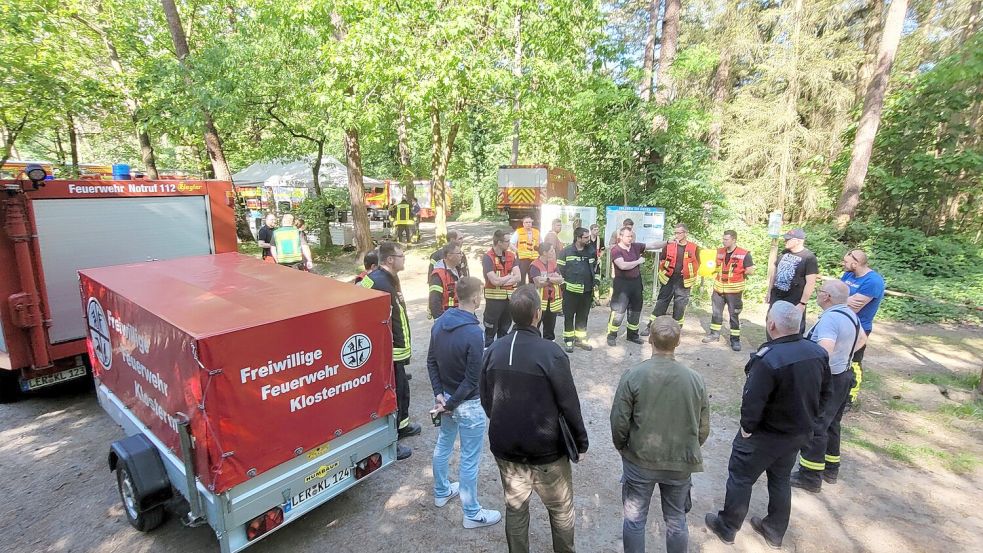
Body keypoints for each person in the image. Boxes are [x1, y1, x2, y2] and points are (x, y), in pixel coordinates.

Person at [705, 301, 832, 549]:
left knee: (741, 478)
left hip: (765, 435)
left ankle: (728, 527)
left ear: (771, 324)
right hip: (796, 433)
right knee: (780, 479)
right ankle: (774, 530)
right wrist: (811, 421)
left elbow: (753, 400)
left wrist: (747, 428)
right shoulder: (817, 352)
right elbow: (826, 392)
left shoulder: (768, 358)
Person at [480, 285, 589, 553]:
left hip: (506, 449)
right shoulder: (551, 353)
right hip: (547, 453)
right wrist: (580, 443)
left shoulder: (492, 351)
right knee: (561, 510)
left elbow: (486, 400)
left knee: (515, 509)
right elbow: (569, 403)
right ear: (538, 315)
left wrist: (504, 421)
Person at [611, 316, 710, 553]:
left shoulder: (633, 375)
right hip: (680, 462)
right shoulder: (696, 380)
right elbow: (703, 427)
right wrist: (688, 448)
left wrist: (623, 447)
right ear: (678, 342)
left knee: (635, 520)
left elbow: (619, 421)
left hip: (639, 460)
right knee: (676, 521)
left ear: (650, 340)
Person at [428, 276, 502, 529]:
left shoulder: (439, 323)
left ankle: (441, 491)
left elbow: (431, 361)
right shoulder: (473, 333)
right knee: (470, 459)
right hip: (466, 404)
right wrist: (450, 403)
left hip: (445, 398)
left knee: (444, 443)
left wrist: (441, 396)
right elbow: (472, 380)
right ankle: (471, 512)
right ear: (476, 297)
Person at [790, 281, 866, 492]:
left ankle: (810, 477)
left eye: (820, 291)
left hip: (829, 379)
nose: (818, 293)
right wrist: (843, 357)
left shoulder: (831, 319)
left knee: (816, 426)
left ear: (828, 297)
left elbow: (823, 351)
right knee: (832, 424)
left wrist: (811, 376)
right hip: (843, 375)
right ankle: (831, 469)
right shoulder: (851, 314)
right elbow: (862, 339)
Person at [360, 241, 421, 460]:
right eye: (401, 255)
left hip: (397, 349)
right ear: (389, 260)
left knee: (402, 390)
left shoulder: (388, 279)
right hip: (389, 352)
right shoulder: (378, 282)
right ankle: (391, 439)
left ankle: (402, 427)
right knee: (392, 395)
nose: (404, 258)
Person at [607, 227, 668, 346]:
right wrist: (638, 261)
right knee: (618, 312)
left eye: (631, 236)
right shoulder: (616, 250)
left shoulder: (635, 246)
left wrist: (668, 242)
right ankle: (611, 335)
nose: (630, 238)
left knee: (635, 310)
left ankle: (632, 335)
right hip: (622, 285)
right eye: (628, 236)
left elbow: (653, 245)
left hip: (636, 283)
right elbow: (622, 265)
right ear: (621, 236)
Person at [840, 249, 885, 405]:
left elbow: (854, 307)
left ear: (856, 263)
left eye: (846, 262)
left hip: (859, 327)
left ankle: (850, 398)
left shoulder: (873, 281)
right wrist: (844, 300)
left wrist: (838, 300)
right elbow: (837, 296)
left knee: (853, 362)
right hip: (841, 322)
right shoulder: (848, 275)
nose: (843, 264)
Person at [702, 230, 756, 351]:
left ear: (734, 240)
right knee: (716, 313)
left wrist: (740, 273)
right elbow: (713, 265)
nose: (724, 241)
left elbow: (750, 270)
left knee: (734, 315)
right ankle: (714, 334)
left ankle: (735, 340)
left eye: (726, 239)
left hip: (734, 291)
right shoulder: (719, 252)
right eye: (723, 239)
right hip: (718, 288)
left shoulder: (744, 254)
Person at [645, 223, 700, 331]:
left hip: (683, 281)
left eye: (679, 233)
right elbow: (662, 260)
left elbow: (698, 263)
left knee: (680, 306)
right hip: (668, 279)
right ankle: (651, 327)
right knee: (661, 303)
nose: (676, 235)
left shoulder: (694, 247)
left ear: (685, 233)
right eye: (675, 233)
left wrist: (689, 273)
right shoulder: (669, 245)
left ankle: (676, 329)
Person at [765, 228, 819, 337]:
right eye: (785, 239)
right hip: (777, 296)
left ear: (799, 241)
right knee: (771, 322)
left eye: (789, 239)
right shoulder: (784, 253)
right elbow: (774, 273)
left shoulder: (809, 258)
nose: (785, 241)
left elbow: (811, 282)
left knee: (793, 328)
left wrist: (803, 303)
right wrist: (769, 291)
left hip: (794, 300)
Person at [557, 227, 597, 354]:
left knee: (583, 315)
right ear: (578, 238)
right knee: (569, 316)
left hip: (586, 291)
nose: (588, 239)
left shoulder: (591, 251)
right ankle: (569, 339)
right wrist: (563, 285)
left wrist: (596, 281)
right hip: (570, 291)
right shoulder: (566, 252)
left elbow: (596, 268)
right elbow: (559, 271)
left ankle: (580, 339)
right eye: (585, 237)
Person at [483, 230, 521, 346]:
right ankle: (487, 353)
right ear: (499, 242)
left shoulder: (511, 255)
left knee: (504, 330)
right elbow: (494, 281)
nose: (509, 243)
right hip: (493, 300)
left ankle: (500, 354)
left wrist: (501, 281)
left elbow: (518, 277)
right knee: (490, 330)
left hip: (508, 299)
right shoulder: (488, 257)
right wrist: (509, 277)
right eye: (507, 241)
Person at [528, 243, 564, 341]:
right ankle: (534, 343)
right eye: (551, 250)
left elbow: (561, 279)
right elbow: (538, 283)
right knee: (535, 326)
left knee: (550, 328)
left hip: (551, 302)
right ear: (544, 253)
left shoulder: (553, 263)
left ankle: (549, 344)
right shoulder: (535, 265)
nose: (553, 252)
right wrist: (552, 277)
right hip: (538, 302)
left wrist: (547, 278)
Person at [429, 243, 463, 319]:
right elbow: (434, 301)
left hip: (459, 316)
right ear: (449, 256)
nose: (462, 255)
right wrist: (440, 322)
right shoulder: (438, 276)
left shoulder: (458, 270)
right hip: (447, 319)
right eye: (459, 253)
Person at [510, 217, 541, 284]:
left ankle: (532, 293)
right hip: (522, 260)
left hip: (534, 260)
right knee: (521, 279)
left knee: (533, 278)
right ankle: (521, 293)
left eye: (530, 222)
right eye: (526, 222)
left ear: (532, 223)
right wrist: (517, 251)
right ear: (523, 224)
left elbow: (541, 244)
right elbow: (511, 243)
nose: (528, 224)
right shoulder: (519, 232)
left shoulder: (537, 232)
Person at [588, 223, 605, 306]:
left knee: (596, 280)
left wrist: (599, 257)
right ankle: (590, 299)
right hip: (588, 263)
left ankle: (597, 298)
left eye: (597, 229)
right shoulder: (587, 239)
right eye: (594, 229)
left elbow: (603, 250)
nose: (596, 231)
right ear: (591, 230)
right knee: (589, 280)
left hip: (596, 263)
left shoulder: (600, 240)